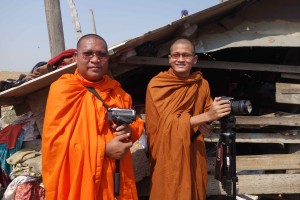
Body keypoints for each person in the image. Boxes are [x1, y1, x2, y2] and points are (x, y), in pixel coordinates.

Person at [42, 34, 144, 200]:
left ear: (107, 58)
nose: (95, 59)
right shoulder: (63, 90)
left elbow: (135, 126)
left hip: (116, 178)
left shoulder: (118, 92)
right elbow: (55, 145)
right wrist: (103, 149)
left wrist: (127, 130)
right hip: (81, 182)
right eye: (88, 54)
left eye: (101, 54)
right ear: (76, 57)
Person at [145, 38, 231, 200]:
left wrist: (207, 123)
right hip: (167, 150)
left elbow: (207, 112)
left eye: (186, 55)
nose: (180, 59)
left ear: (195, 59)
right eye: (176, 55)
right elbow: (167, 124)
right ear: (170, 58)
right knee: (168, 190)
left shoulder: (201, 84)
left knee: (194, 188)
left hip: (193, 148)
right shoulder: (158, 84)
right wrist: (206, 116)